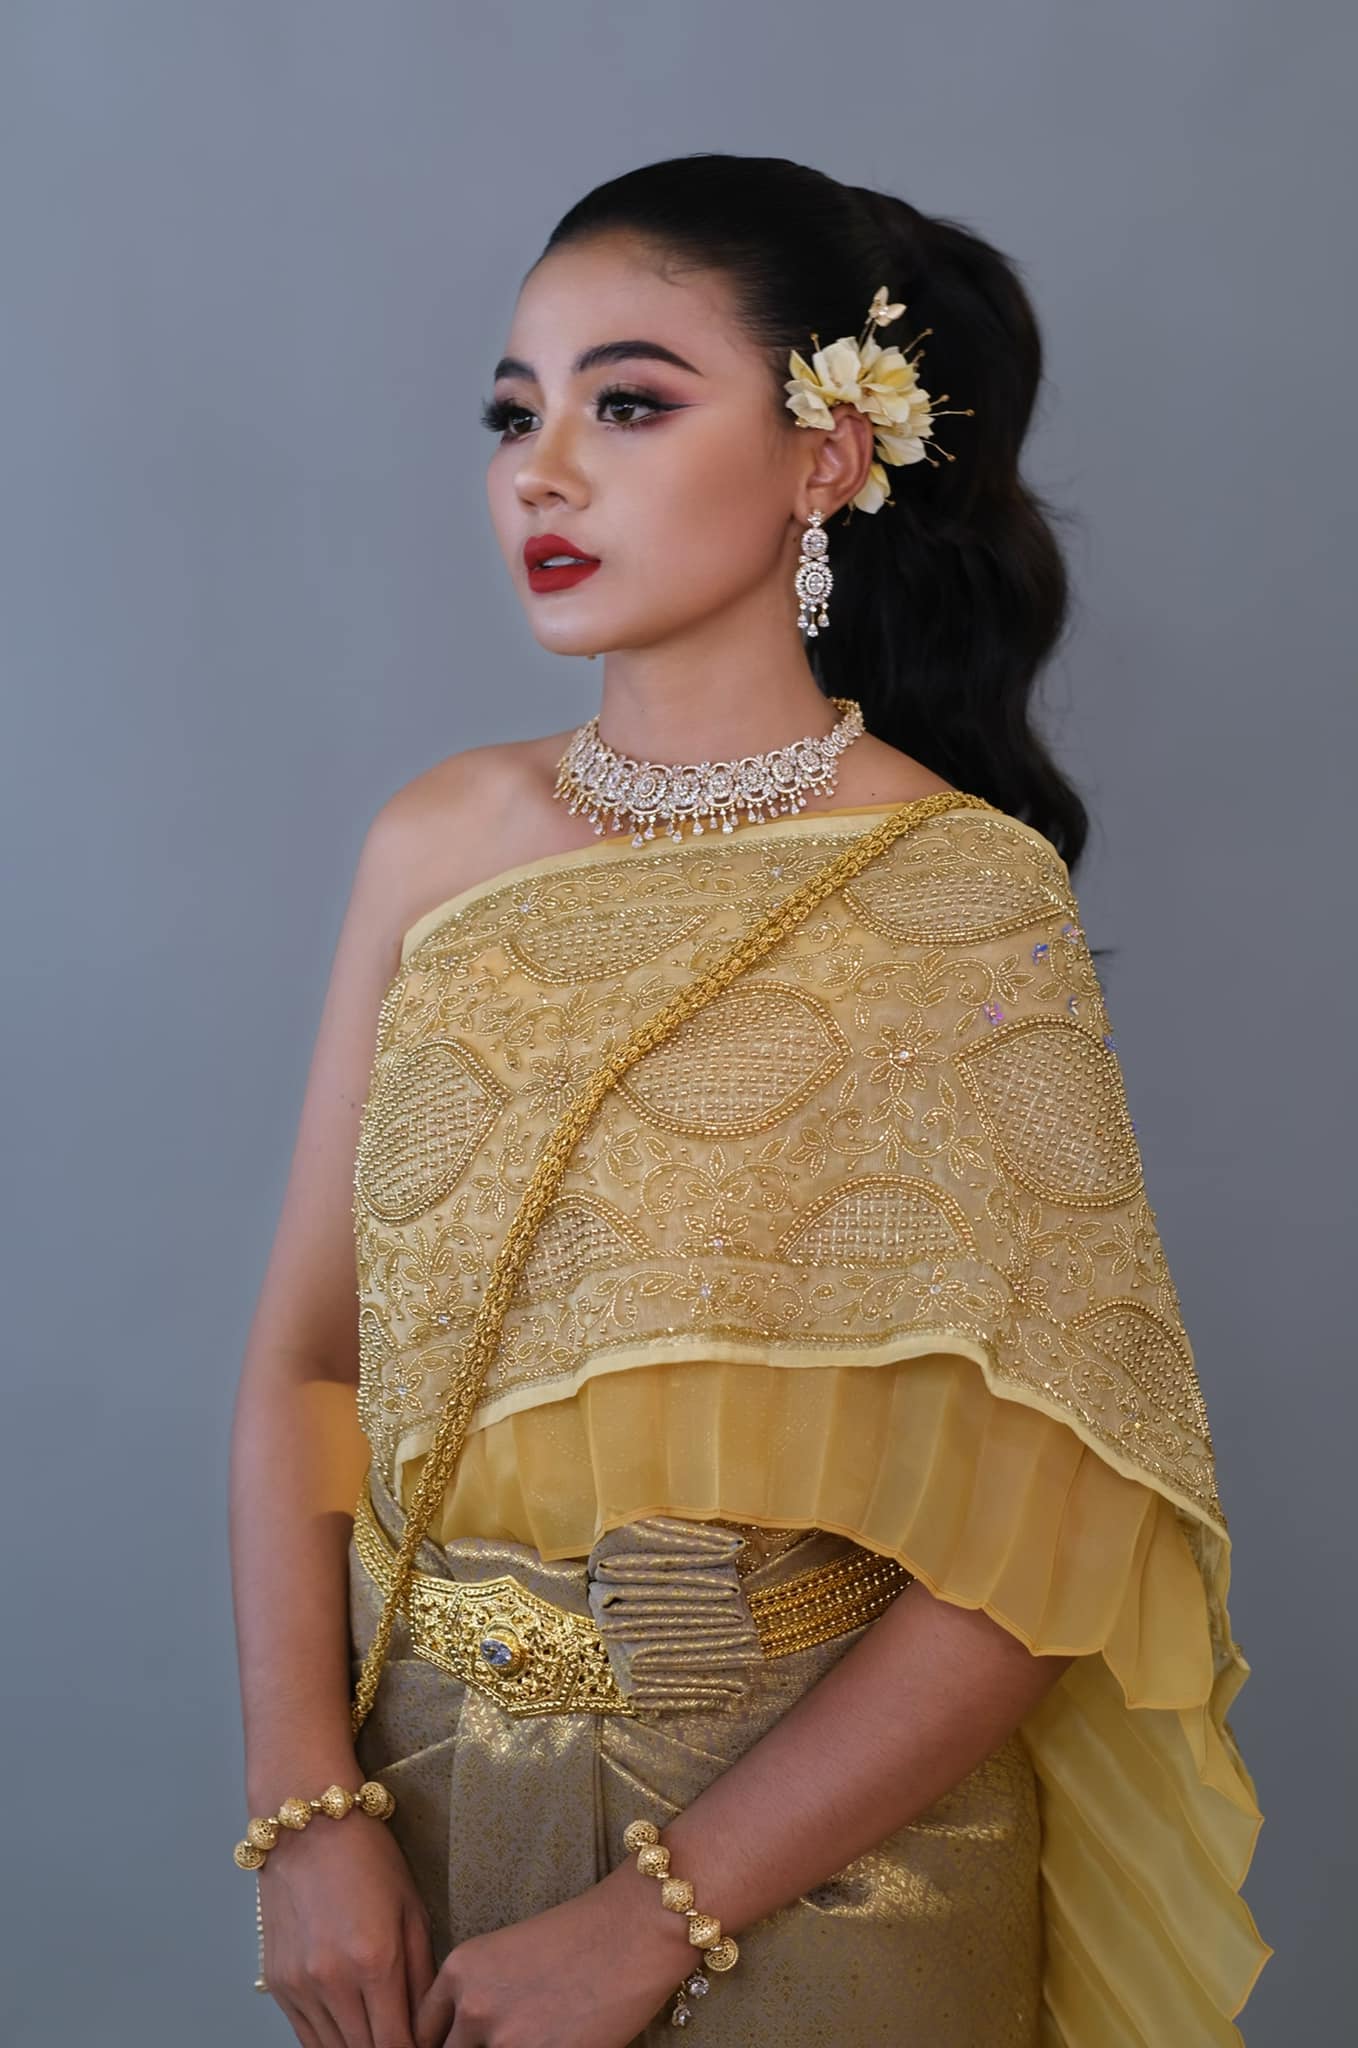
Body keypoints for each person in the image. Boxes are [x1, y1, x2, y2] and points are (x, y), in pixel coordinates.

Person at [228, 152, 1272, 2047]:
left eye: (628, 403)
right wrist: (304, 1807)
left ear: (825, 455)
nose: (542, 472)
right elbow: (311, 1368)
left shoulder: (953, 895)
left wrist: (654, 1918)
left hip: (820, 1866)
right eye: (515, 415)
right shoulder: (435, 847)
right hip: (415, 1807)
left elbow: (1060, 1512)